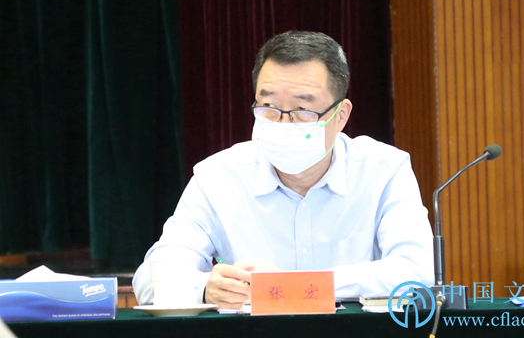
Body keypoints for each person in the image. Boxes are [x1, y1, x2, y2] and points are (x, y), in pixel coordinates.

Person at [132, 31, 434, 309]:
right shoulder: (218, 177)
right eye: (269, 107)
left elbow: (416, 272)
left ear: (341, 116)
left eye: (303, 111)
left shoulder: (384, 170)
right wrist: (203, 288)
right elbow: (148, 279)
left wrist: (290, 286)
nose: (283, 124)